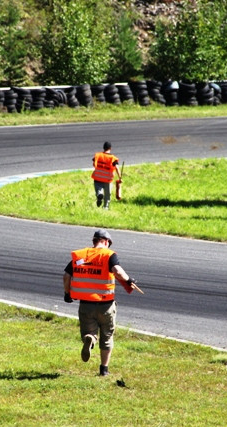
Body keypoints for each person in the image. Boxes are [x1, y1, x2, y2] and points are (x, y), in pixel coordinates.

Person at [63, 229, 138, 376]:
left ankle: (90, 339)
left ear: (94, 241)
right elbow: (117, 270)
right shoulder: (108, 255)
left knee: (88, 331)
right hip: (106, 304)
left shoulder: (80, 256)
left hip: (86, 304)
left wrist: (67, 293)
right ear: (105, 242)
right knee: (107, 336)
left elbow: (66, 276)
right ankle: (104, 370)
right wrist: (129, 280)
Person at [91, 141, 122, 209]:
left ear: (103, 148)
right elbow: (117, 167)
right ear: (110, 148)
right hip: (107, 179)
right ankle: (105, 207)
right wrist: (120, 177)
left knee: (98, 189)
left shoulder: (98, 155)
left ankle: (99, 194)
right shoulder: (112, 158)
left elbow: (94, 164)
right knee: (107, 194)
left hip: (97, 178)